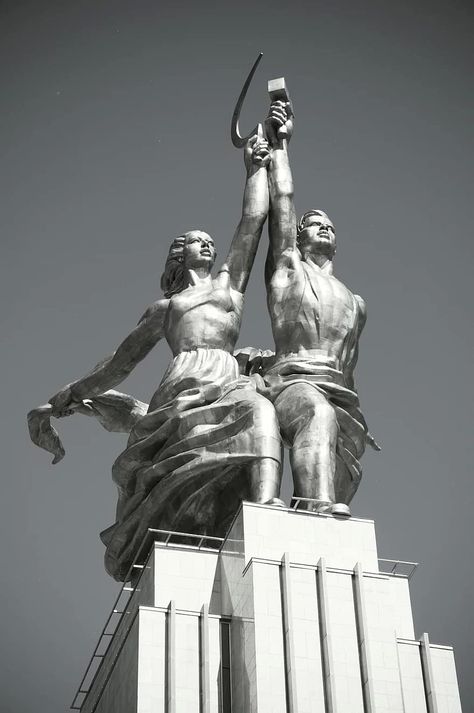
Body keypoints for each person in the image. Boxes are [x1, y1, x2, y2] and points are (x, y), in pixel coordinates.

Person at [45, 135, 282, 580]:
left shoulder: (228, 288)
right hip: (181, 384)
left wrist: (254, 169)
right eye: (197, 241)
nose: (208, 245)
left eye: (210, 241)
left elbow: (252, 222)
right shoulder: (166, 309)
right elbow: (119, 363)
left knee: (259, 410)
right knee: (174, 470)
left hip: (225, 373)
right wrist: (75, 392)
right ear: (180, 254)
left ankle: (268, 505)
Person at [262, 100, 379, 516]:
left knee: (343, 454)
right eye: (314, 223)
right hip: (292, 382)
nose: (325, 226)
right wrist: (281, 144)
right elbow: (284, 201)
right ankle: (316, 505)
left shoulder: (356, 302)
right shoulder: (289, 270)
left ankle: (317, 509)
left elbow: (350, 364)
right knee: (316, 412)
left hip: (341, 393)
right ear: (298, 236)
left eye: (330, 224)